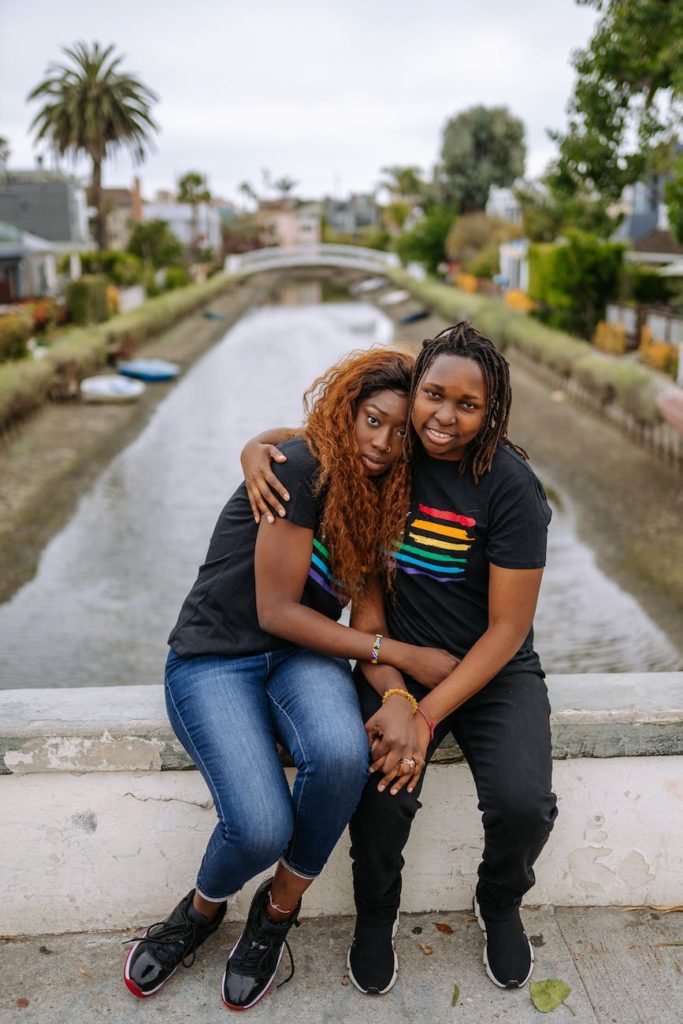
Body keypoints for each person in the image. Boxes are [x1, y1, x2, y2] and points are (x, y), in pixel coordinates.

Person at [122, 347, 456, 1012]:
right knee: (256, 828)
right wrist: (409, 656)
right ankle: (200, 911)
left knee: (338, 755)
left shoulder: (375, 498)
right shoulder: (302, 467)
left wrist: (395, 693)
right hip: (215, 656)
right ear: (346, 412)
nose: (383, 442)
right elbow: (277, 611)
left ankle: (275, 915)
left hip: (298, 659)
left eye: (398, 432)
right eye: (371, 420)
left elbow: (362, 616)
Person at [241, 322, 557, 996]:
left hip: (491, 672)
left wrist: (428, 715)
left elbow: (506, 629)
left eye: (466, 405)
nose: (444, 416)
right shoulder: (391, 457)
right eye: (433, 395)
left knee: (523, 803)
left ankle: (498, 903)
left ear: (490, 410)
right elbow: (370, 608)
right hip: (398, 667)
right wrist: (394, 697)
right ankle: (374, 918)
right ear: (414, 393)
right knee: (380, 799)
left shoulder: (508, 486)